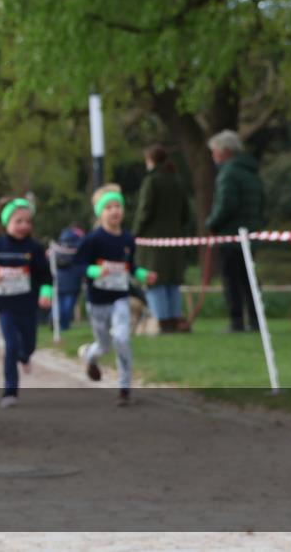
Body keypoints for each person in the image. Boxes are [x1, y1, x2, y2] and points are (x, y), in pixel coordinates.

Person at [73, 183, 158, 406]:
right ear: (100, 212)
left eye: (117, 206)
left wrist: (143, 274)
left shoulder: (128, 240)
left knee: (122, 339)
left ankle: (124, 388)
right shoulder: (92, 240)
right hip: (97, 301)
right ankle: (89, 356)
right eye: (108, 207)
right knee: (104, 345)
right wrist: (94, 270)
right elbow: (77, 266)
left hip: (120, 298)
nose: (114, 211)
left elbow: (129, 266)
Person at [0, 198, 53, 408]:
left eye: (28, 222)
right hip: (5, 305)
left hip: (28, 304)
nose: (24, 226)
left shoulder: (34, 248)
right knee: (11, 346)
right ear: (6, 223)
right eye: (18, 221)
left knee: (28, 345)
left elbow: (46, 275)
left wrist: (46, 293)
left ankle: (25, 356)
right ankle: (10, 391)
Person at [205, 130, 265, 332]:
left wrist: (212, 223)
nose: (213, 156)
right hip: (250, 233)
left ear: (224, 152)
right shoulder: (251, 171)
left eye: (214, 151)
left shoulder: (228, 173)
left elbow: (226, 204)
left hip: (231, 235)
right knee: (249, 280)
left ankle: (237, 321)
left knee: (232, 282)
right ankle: (256, 320)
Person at [133, 144, 192, 332]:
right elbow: (186, 213)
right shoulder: (177, 181)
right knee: (172, 280)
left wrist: (135, 234)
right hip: (174, 239)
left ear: (150, 160)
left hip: (153, 242)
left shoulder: (152, 181)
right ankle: (175, 318)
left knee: (154, 279)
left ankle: (162, 320)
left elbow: (145, 211)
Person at [53, 225, 85, 331]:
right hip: (73, 282)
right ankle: (64, 325)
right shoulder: (79, 246)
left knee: (58, 304)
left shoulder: (58, 246)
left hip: (58, 281)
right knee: (68, 306)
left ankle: (54, 321)